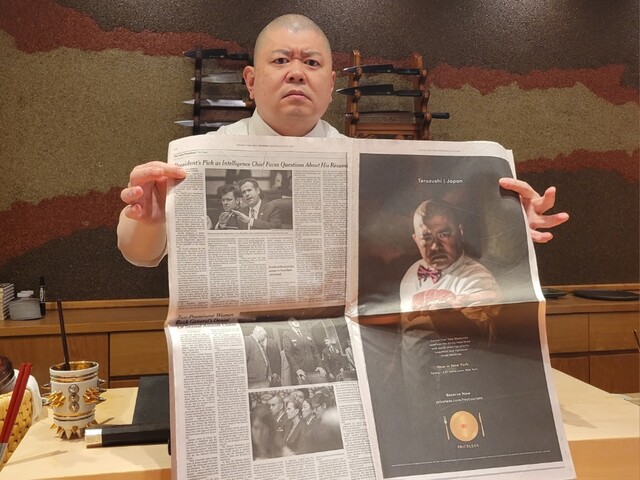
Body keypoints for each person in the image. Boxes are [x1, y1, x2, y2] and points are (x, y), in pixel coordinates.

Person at [116, 13, 568, 268]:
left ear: (331, 84)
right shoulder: (203, 157)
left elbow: (416, 237)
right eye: (281, 60)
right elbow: (141, 256)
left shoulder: (363, 162)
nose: (296, 72)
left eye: (312, 63)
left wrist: (506, 221)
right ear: (250, 81)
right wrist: (149, 219)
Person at [399, 199, 500, 340]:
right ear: (416, 240)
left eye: (443, 235)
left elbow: (478, 337)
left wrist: (446, 318)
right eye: (427, 238)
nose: (435, 246)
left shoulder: (478, 277)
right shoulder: (412, 272)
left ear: (460, 231)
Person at [281, 318, 327, 384]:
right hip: (301, 371)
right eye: (293, 321)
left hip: (314, 368)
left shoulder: (306, 333)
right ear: (289, 323)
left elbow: (315, 351)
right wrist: (297, 369)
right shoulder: (287, 335)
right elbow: (289, 354)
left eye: (297, 320)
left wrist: (320, 365)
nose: (296, 322)